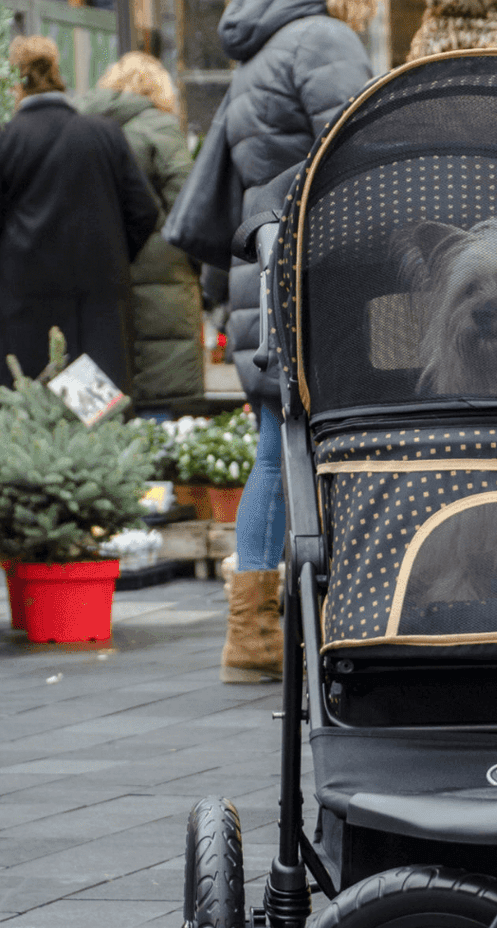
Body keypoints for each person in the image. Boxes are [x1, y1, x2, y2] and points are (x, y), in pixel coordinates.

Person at [167, 0, 374, 683]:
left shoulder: (263, 50)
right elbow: (356, 152)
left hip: (264, 264)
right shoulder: (323, 39)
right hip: (316, 265)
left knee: (274, 445)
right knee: (333, 442)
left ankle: (255, 635)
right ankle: (333, 618)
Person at [0, 36, 159, 394]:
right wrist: (114, 255)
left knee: (36, 428)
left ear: (15, 86)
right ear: (59, 75)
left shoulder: (8, 140)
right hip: (96, 309)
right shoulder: (104, 133)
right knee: (94, 424)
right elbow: (144, 211)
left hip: (23, 311)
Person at [78, 52, 204, 415]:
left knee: (101, 399)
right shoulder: (162, 129)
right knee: (158, 396)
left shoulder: (86, 129)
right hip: (163, 278)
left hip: (99, 277)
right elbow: (189, 209)